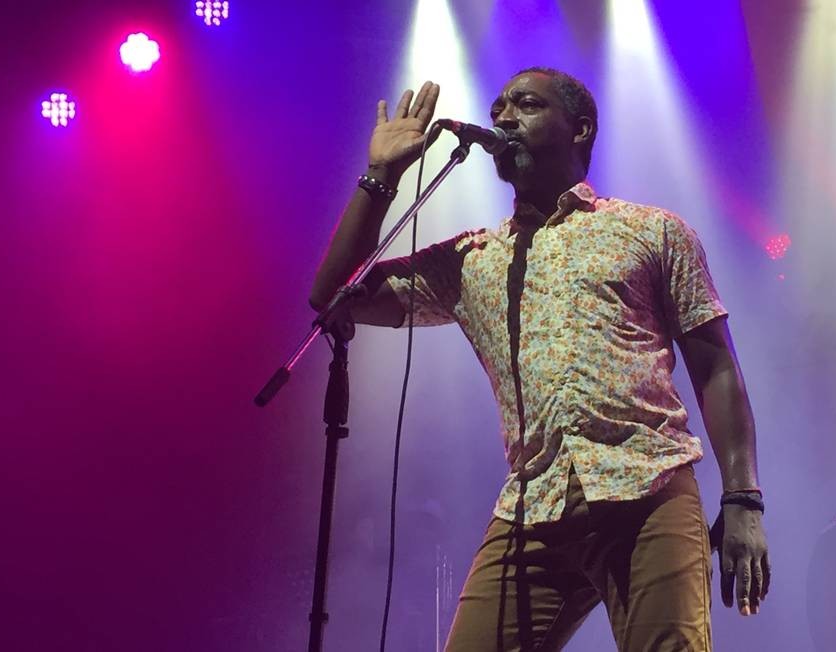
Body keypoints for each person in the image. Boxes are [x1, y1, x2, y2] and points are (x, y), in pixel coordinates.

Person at [309, 68, 770, 652]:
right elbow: (334, 298)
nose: (502, 117)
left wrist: (743, 499)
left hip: (648, 490)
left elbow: (716, 368)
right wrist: (381, 176)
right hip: (532, 502)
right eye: (499, 106)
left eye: (525, 104)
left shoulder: (650, 231)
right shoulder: (472, 258)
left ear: (579, 129)